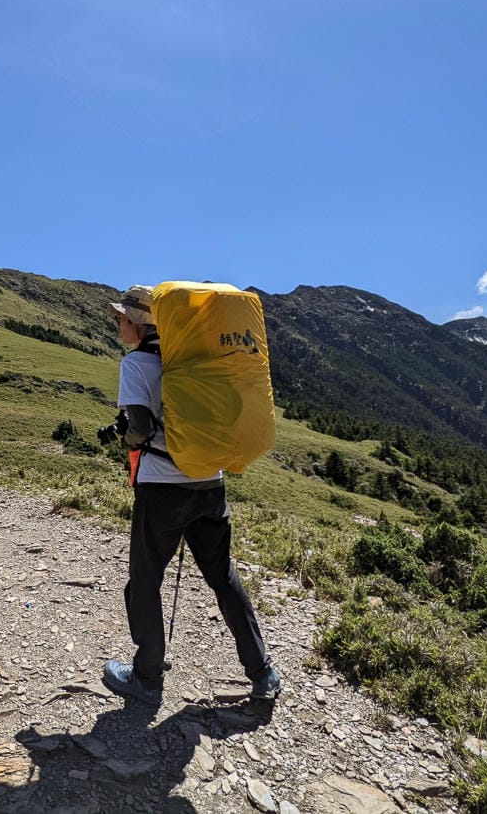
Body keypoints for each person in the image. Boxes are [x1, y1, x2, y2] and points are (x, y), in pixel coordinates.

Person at [102, 285, 281, 704]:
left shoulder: (137, 365)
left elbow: (142, 429)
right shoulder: (200, 359)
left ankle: (146, 678)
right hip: (210, 484)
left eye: (120, 317)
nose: (117, 323)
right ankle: (262, 671)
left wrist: (123, 435)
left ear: (138, 323)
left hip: (163, 487)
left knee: (145, 581)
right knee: (223, 577)